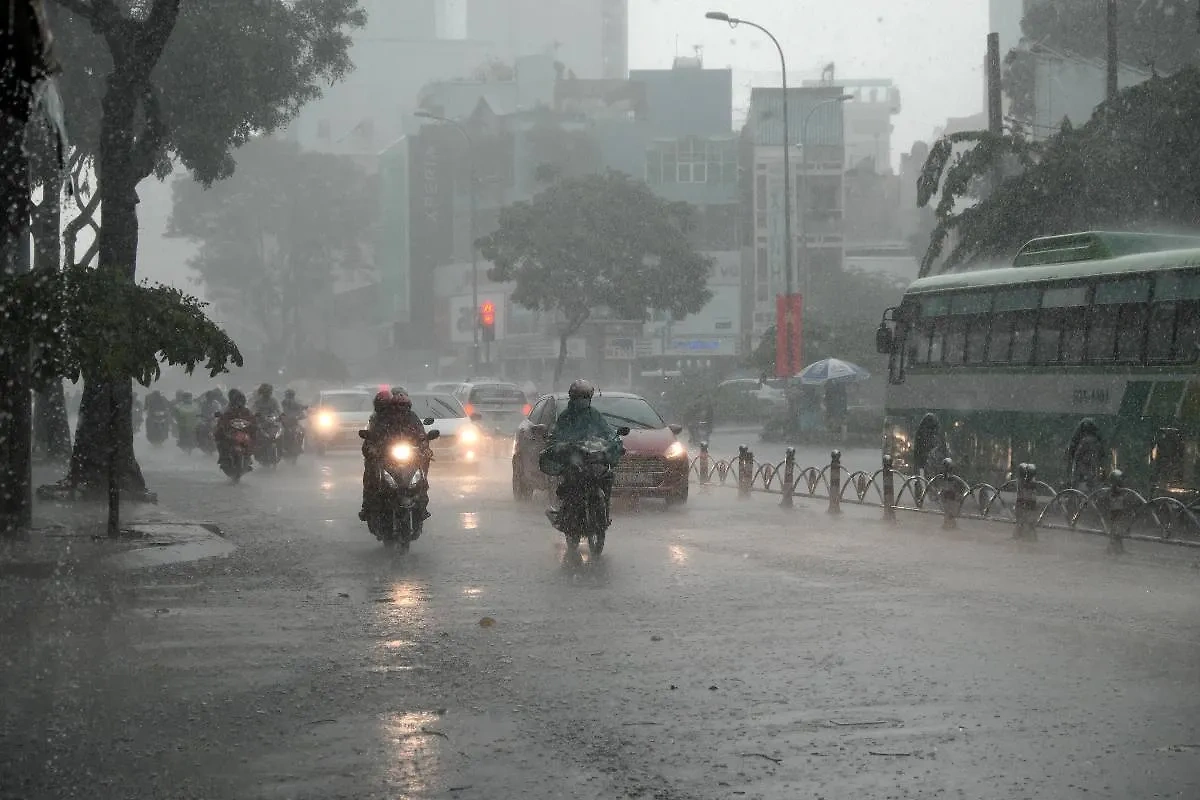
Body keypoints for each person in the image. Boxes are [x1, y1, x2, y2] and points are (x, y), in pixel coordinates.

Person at [545, 379, 623, 513]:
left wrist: (614, 442)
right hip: (574, 461)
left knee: (607, 476)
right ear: (573, 398)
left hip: (591, 461)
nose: (582, 400)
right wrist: (561, 446)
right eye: (579, 397)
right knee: (569, 482)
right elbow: (556, 436)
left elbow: (607, 431)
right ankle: (566, 513)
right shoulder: (565, 417)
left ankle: (604, 511)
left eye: (585, 397)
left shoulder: (594, 415)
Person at [359, 391, 430, 521]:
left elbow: (420, 434)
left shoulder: (412, 418)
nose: (401, 409)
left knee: (421, 478)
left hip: (408, 456)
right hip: (386, 457)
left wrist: (424, 447)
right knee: (371, 476)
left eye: (404, 405)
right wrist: (374, 449)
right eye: (398, 405)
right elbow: (371, 439)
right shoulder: (381, 419)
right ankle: (368, 506)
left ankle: (422, 506)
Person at [215, 388, 257, 470]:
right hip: (231, 431)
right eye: (237, 400)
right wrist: (222, 423)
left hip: (242, 431)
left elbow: (252, 419)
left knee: (253, 436)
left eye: (240, 401)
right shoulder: (227, 410)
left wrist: (254, 423)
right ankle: (223, 457)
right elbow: (222, 419)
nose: (239, 403)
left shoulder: (246, 411)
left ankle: (248, 456)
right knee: (220, 437)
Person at [1066, 417, 1106, 492]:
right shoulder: (1096, 441)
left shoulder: (1084, 441)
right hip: (1090, 473)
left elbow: (1076, 454)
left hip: (1084, 473)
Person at [912, 412, 950, 478]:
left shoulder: (921, 433)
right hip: (932, 463)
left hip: (930, 463)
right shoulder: (937, 435)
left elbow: (917, 457)